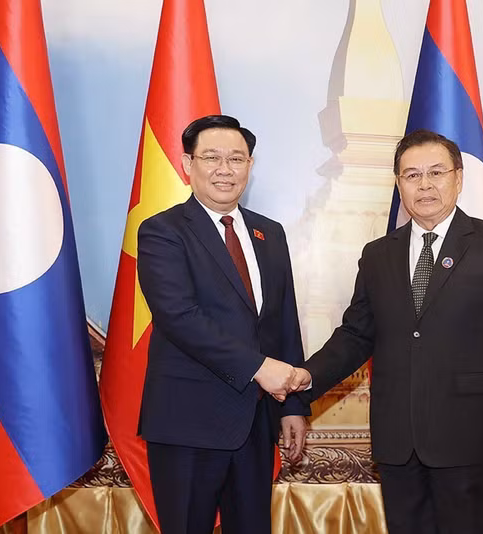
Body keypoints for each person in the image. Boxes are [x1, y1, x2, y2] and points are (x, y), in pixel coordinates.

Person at [291, 129, 483, 534]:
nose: (425, 185)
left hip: (469, 440)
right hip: (398, 443)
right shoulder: (378, 255)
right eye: (411, 175)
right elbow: (355, 335)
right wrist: (307, 378)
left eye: (436, 172)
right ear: (399, 184)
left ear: (458, 179)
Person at [136, 115, 309, 534]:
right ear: (186, 164)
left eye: (236, 158)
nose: (225, 169)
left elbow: (283, 320)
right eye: (211, 157)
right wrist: (260, 368)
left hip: (254, 422)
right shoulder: (162, 231)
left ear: (250, 165)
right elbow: (180, 317)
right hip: (187, 423)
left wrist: (293, 406)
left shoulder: (271, 233)